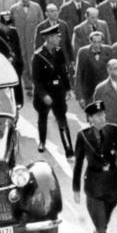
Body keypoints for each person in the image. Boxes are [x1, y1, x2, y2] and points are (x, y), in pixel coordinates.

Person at [72, 100, 117, 233]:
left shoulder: (113, 130)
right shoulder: (83, 136)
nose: (102, 118)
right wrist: (76, 189)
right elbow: (78, 163)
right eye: (98, 116)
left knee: (103, 224)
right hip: (94, 187)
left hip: (113, 185)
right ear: (90, 119)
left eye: (103, 114)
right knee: (101, 226)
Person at [31, 24, 74, 155]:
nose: (59, 39)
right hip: (44, 93)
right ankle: (42, 141)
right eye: (56, 37)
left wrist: (67, 89)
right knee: (43, 118)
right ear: (49, 38)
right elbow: (36, 80)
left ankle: (68, 148)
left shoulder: (59, 51)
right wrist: (44, 96)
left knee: (62, 119)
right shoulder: (38, 56)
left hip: (58, 92)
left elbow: (62, 72)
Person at [0, 11, 25, 106]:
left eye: (9, 25)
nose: (7, 27)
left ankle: (18, 102)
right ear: (0, 24)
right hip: (3, 66)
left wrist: (19, 62)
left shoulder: (14, 32)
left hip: (15, 64)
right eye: (5, 25)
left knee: (17, 84)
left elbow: (17, 48)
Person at [75, 30, 112, 106]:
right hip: (89, 92)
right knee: (92, 115)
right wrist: (80, 96)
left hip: (105, 91)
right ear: (90, 41)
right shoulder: (83, 52)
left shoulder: (108, 50)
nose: (97, 45)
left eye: (99, 42)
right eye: (94, 42)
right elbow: (78, 74)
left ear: (102, 42)